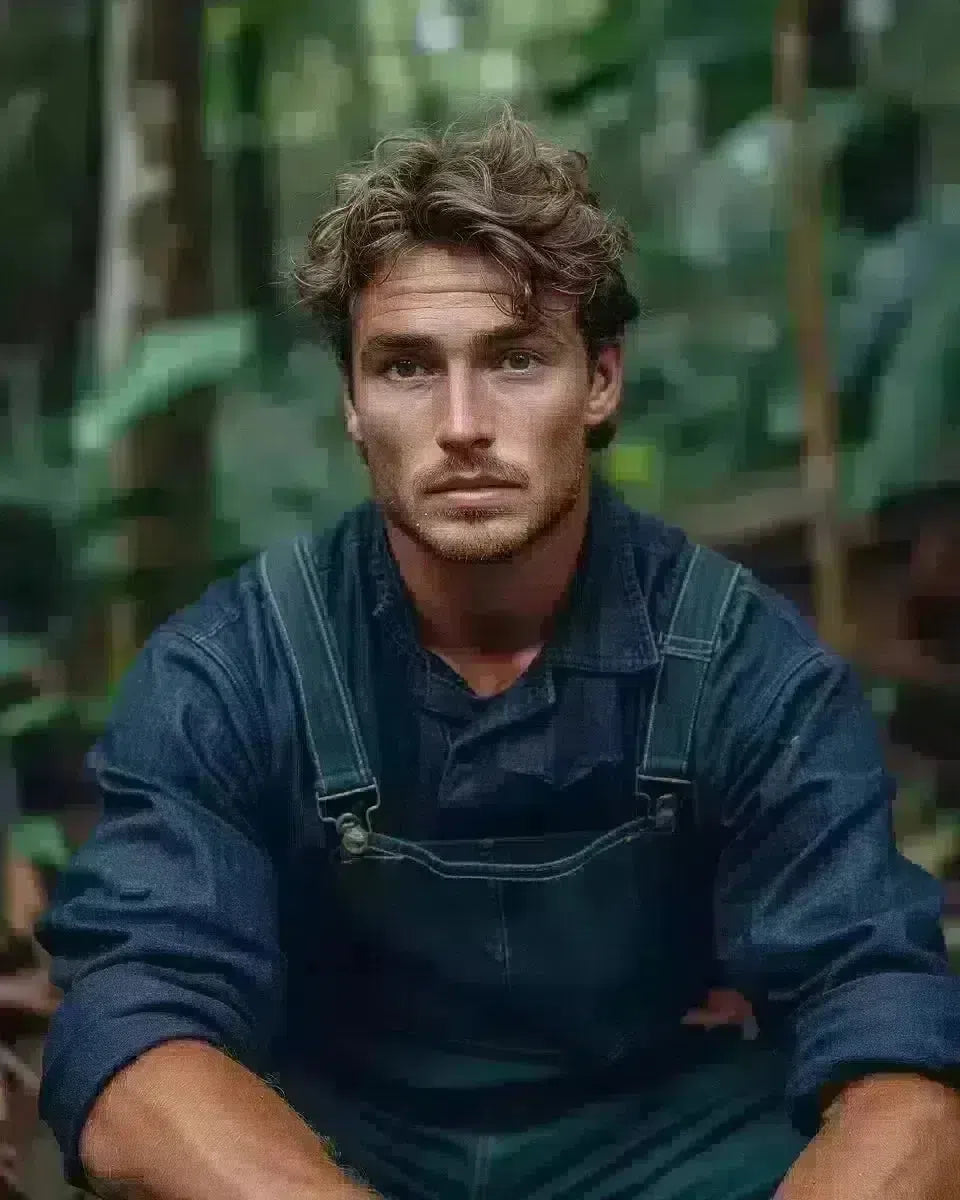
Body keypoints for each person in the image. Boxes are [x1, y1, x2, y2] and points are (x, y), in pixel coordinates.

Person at [37, 111, 960, 1200]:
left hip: (670, 1150)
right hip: (334, 1150)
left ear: (600, 382)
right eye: (408, 368)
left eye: (516, 360)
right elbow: (131, 1035)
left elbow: (896, 1044)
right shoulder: (234, 667)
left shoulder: (747, 663)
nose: (464, 423)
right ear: (351, 400)